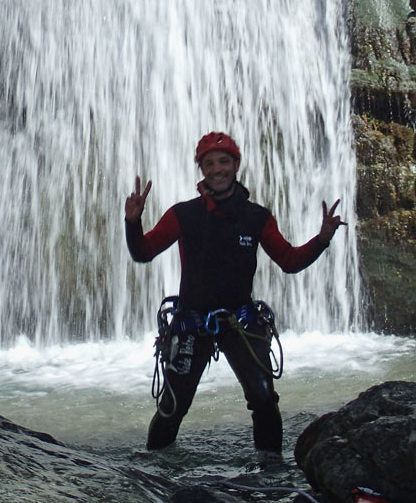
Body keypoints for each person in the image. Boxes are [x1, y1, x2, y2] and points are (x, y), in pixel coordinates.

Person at [124, 131, 347, 452]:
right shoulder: (183, 214)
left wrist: (322, 239)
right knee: (172, 407)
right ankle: (153, 474)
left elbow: (289, 260)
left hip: (240, 322)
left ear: (236, 165)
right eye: (209, 163)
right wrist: (133, 222)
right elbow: (143, 252)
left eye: (224, 161)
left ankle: (269, 476)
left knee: (264, 399)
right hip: (191, 322)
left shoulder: (256, 217)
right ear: (201, 169)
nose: (217, 169)